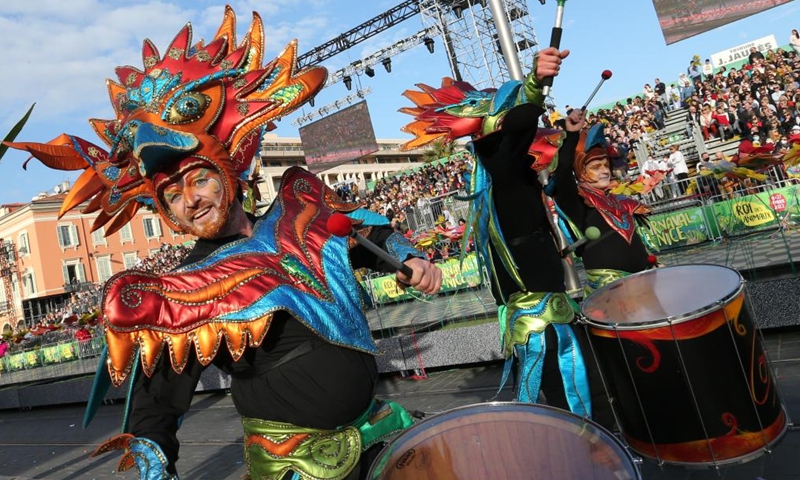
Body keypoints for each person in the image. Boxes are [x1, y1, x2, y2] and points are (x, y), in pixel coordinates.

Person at [7, 8, 443, 479]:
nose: (190, 201)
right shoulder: (184, 291)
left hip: (376, 433)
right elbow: (158, 402)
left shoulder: (301, 208)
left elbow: (367, 233)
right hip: (294, 466)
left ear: (227, 173)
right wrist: (155, 459)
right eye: (172, 196)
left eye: (197, 181)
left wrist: (409, 256)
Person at [398, 47, 614, 430]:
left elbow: (553, 165)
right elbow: (522, 121)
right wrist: (536, 82)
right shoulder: (500, 160)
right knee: (576, 402)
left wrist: (569, 130)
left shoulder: (511, 177)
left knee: (574, 401)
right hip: (541, 324)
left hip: (549, 314)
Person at [554, 110, 654, 293]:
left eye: (605, 165)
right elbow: (562, 174)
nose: (605, 171)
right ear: (581, 171)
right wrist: (571, 134)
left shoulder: (621, 201)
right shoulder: (577, 202)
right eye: (595, 167)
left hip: (645, 288)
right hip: (609, 295)